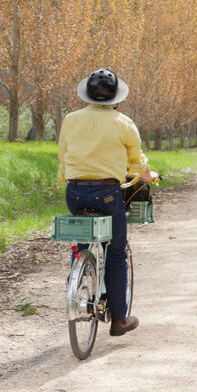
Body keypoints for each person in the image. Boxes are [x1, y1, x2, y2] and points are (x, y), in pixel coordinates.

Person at [57, 68, 153, 337]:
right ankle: (119, 319)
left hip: (74, 192)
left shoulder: (71, 119)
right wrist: (148, 176)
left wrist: (68, 177)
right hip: (108, 193)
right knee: (116, 252)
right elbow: (137, 162)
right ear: (115, 98)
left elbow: (63, 156)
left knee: (83, 233)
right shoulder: (123, 122)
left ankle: (78, 270)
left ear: (87, 95)